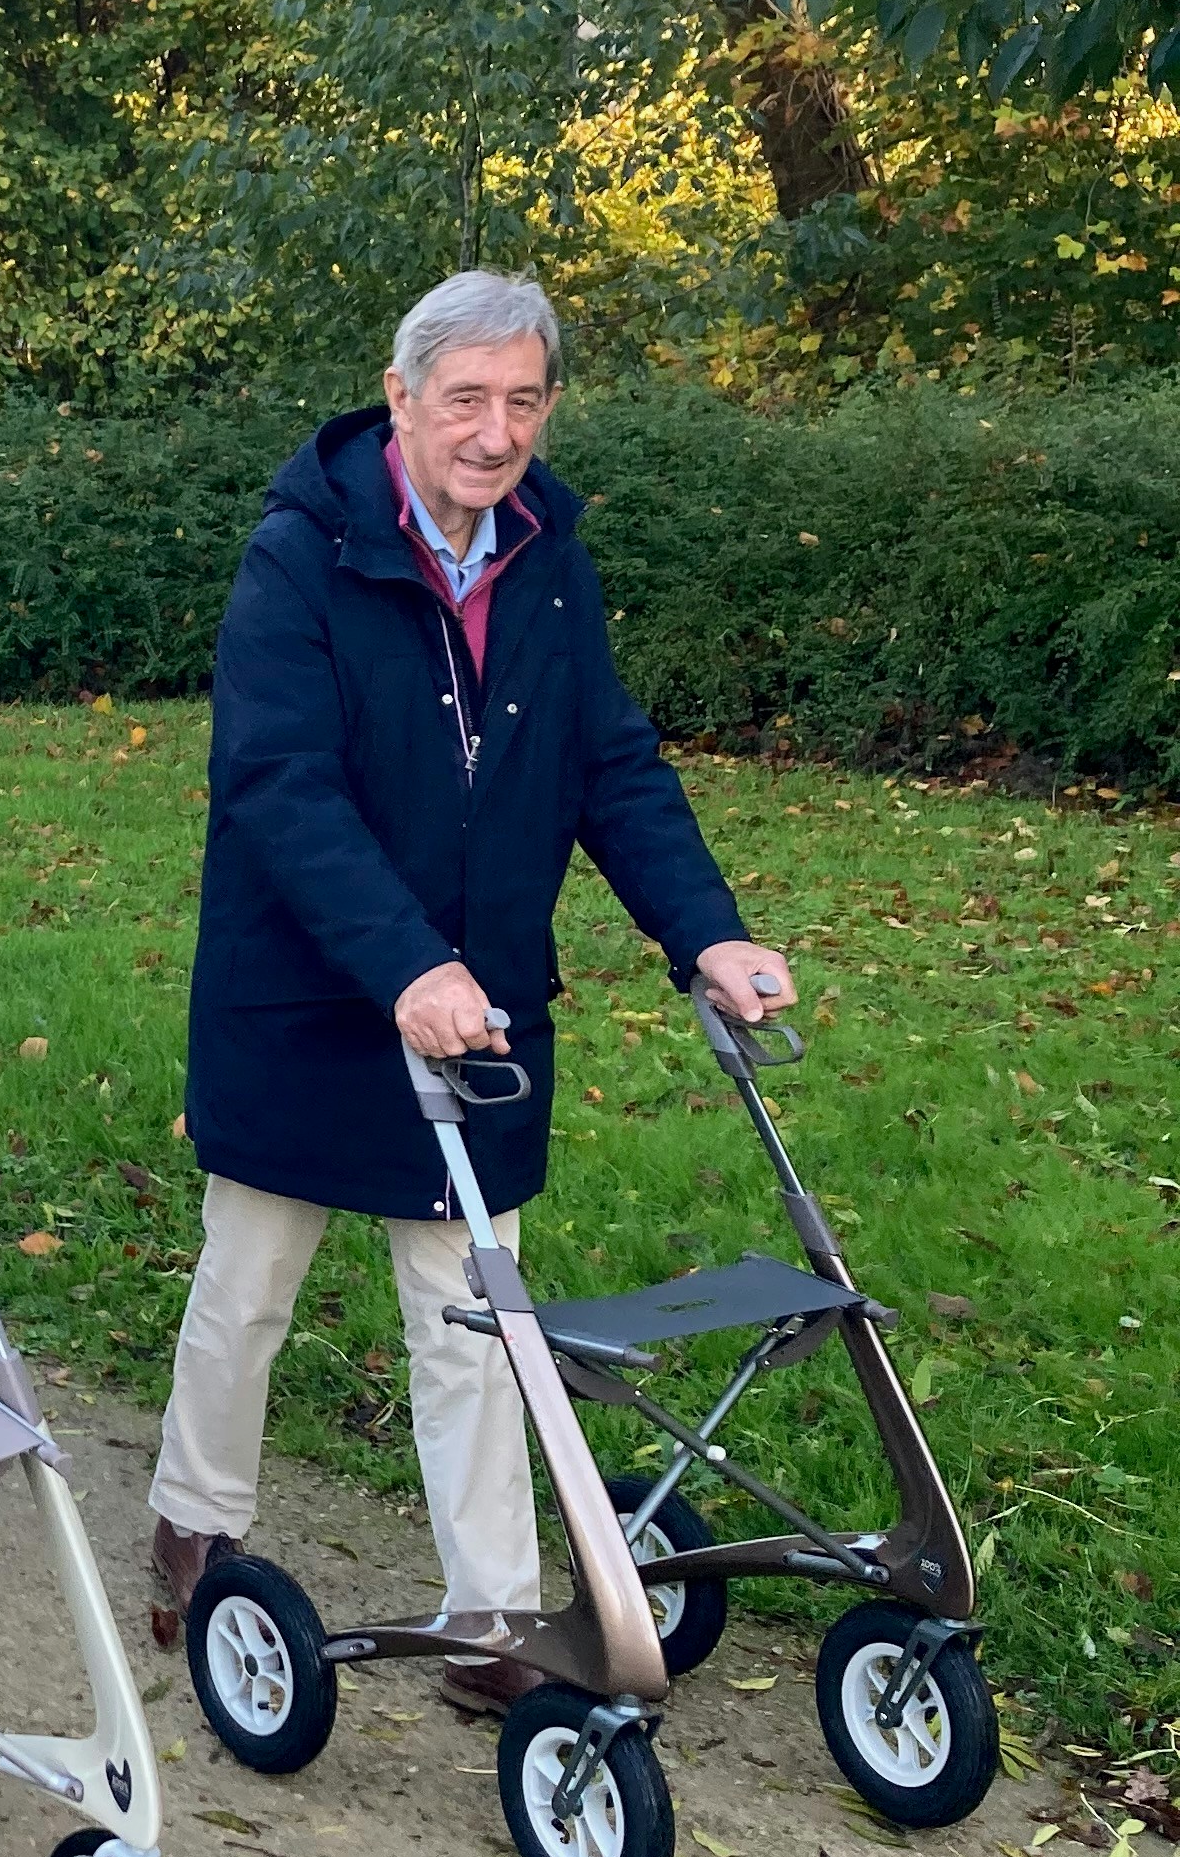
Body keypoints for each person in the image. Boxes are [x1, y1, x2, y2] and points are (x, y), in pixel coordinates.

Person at [149, 271, 792, 1713]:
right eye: (466, 401)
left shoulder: (550, 558)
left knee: (480, 1313)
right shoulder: (300, 556)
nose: (495, 433)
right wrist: (403, 963)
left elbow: (608, 760)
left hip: (480, 1006)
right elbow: (281, 789)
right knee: (248, 1287)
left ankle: (494, 1614)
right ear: (400, 399)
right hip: (308, 999)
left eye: (523, 401)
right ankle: (195, 1524)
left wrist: (706, 932)